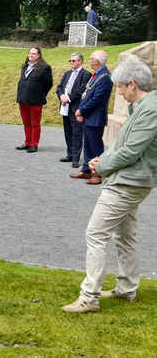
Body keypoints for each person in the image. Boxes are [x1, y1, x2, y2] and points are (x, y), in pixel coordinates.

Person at [61, 57, 157, 313]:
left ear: (133, 85)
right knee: (126, 235)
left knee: (96, 234)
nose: (121, 93)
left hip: (128, 182)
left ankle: (89, 297)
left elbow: (131, 152)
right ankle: (126, 289)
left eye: (122, 88)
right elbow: (123, 145)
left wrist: (101, 167)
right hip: (129, 179)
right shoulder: (144, 106)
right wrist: (101, 158)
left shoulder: (151, 109)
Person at [71, 50, 113, 184]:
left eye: (91, 59)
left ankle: (97, 173)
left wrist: (81, 111)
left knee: (96, 147)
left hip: (95, 117)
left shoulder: (105, 77)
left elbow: (97, 99)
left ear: (98, 61)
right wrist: (82, 111)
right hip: (89, 116)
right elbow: (87, 94)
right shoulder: (97, 75)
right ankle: (87, 170)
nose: (89, 61)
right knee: (88, 145)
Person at [15, 47, 53, 153]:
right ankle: (27, 142)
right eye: (30, 53)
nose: (31, 55)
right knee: (26, 122)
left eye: (34, 53)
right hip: (23, 99)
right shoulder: (24, 66)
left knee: (35, 123)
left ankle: (34, 144)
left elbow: (48, 84)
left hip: (36, 100)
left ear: (39, 55)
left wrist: (40, 94)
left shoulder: (45, 67)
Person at [56, 52, 91, 166]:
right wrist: (61, 96)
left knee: (76, 133)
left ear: (80, 61)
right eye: (70, 61)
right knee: (68, 132)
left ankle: (76, 158)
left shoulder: (86, 74)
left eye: (73, 61)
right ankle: (70, 155)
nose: (71, 62)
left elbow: (81, 90)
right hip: (65, 107)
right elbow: (60, 87)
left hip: (76, 108)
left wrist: (68, 98)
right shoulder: (67, 74)